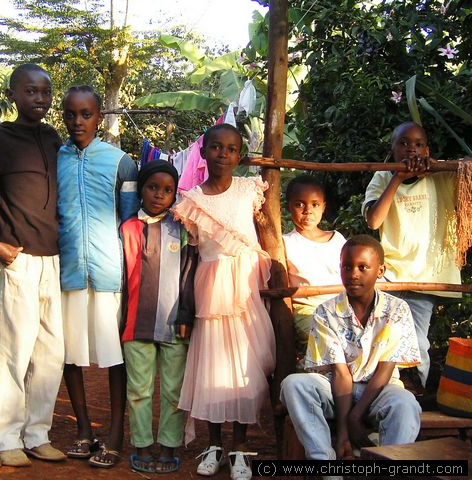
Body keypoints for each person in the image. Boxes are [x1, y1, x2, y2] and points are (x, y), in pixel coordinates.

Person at [0, 64, 66, 467]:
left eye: (45, 91)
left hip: (55, 259)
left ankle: (36, 434)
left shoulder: (53, 138)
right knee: (14, 349)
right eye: (30, 91)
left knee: (50, 353)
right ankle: (6, 436)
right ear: (13, 96)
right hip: (18, 260)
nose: (39, 99)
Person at [173, 124, 276, 480]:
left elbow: (267, 233)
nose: (223, 154)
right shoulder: (193, 201)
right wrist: (185, 307)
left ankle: (240, 450)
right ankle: (214, 445)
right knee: (214, 368)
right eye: (216, 147)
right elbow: (190, 257)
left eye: (231, 149)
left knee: (245, 372)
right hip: (211, 290)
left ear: (239, 154)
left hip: (246, 290)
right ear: (203, 152)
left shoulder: (250, 190)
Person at [280, 235, 422, 464]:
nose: (353, 274)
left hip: (379, 389)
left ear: (380, 270)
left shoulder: (397, 309)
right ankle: (325, 464)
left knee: (405, 403)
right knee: (294, 384)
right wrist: (344, 433)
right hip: (336, 390)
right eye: (347, 267)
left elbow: (385, 370)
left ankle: (388, 467)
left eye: (363, 267)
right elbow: (340, 374)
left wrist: (356, 416)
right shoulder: (326, 312)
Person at [56, 85, 139, 468]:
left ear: (99, 116)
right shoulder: (55, 158)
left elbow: (128, 221)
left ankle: (115, 435)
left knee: (113, 356)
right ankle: (84, 430)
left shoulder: (120, 161)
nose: (77, 122)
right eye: (70, 114)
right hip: (68, 272)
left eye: (86, 114)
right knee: (70, 354)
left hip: (108, 273)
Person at [362, 121, 461, 388]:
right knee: (384, 337)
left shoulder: (441, 175)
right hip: (392, 275)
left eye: (418, 144)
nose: (411, 150)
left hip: (426, 275)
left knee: (417, 340)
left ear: (427, 150)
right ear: (392, 149)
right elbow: (373, 220)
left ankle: (415, 391)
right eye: (404, 143)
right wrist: (397, 179)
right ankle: (387, 393)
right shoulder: (383, 176)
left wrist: (440, 165)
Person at [121, 160, 197, 474]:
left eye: (167, 190)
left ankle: (168, 446)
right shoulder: (127, 228)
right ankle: (141, 444)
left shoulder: (181, 227)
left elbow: (189, 273)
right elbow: (122, 278)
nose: (159, 195)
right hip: (135, 323)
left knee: (173, 390)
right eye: (153, 187)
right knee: (138, 390)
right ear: (141, 189)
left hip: (174, 323)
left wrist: (185, 313)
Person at [283, 175, 346, 367]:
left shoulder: (337, 239)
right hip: (308, 309)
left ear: (324, 207)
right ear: (288, 207)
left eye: (315, 204)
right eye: (300, 204)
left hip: (342, 307)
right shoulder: (285, 242)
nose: (308, 211)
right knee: (324, 338)